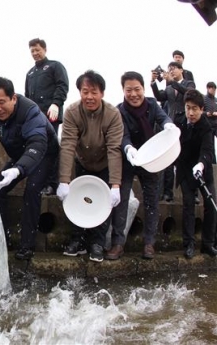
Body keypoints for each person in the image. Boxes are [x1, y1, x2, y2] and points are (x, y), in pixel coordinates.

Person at [0, 77, 59, 260]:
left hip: (44, 154)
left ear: (13, 98)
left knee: (31, 190)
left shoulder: (30, 111)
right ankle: (3, 239)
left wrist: (19, 169)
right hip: (18, 155)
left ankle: (27, 246)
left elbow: (37, 143)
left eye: (1, 102)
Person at [57, 70, 124, 263]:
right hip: (82, 161)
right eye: (85, 91)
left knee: (102, 203)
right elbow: (68, 145)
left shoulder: (112, 114)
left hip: (104, 163)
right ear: (79, 92)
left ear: (102, 93)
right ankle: (77, 239)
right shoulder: (71, 111)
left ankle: (97, 243)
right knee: (77, 199)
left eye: (94, 92)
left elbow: (114, 149)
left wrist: (115, 185)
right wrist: (64, 181)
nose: (89, 97)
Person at [107, 71, 174, 260]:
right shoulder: (119, 110)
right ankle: (118, 243)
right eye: (129, 90)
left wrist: (169, 125)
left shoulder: (152, 104)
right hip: (128, 159)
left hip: (150, 159)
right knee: (121, 200)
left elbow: (163, 118)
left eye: (137, 89)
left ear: (143, 89)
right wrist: (128, 148)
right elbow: (123, 134)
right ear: (123, 91)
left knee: (152, 201)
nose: (134, 94)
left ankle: (149, 243)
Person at [25, 38, 69, 196]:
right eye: (32, 51)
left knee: (51, 149)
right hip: (35, 117)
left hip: (51, 114)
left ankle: (52, 183)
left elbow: (62, 85)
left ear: (44, 49)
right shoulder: (30, 73)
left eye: (37, 50)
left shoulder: (55, 66)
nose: (35, 53)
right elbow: (26, 97)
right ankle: (39, 182)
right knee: (36, 148)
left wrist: (56, 104)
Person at [176, 89, 217, 259]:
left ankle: (207, 244)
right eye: (188, 108)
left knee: (211, 205)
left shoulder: (206, 127)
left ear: (201, 109)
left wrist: (201, 164)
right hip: (185, 170)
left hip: (202, 170)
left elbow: (207, 149)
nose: (190, 113)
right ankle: (189, 244)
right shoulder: (178, 121)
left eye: (194, 109)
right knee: (188, 205)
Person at [151, 61, 195, 202]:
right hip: (171, 125)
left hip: (185, 125)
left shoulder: (189, 83)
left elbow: (189, 94)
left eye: (173, 68)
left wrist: (172, 82)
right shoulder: (169, 87)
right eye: (169, 69)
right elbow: (159, 97)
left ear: (181, 70)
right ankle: (167, 192)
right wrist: (153, 83)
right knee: (168, 160)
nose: (171, 71)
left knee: (186, 158)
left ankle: (192, 193)